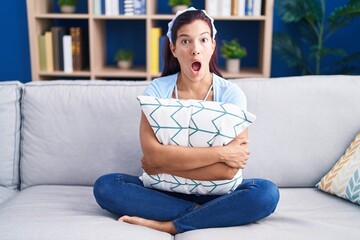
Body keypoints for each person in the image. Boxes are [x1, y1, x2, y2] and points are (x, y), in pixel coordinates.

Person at [93, 8, 279, 234]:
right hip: (164, 191)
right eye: (185, 41)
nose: (195, 50)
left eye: (203, 40)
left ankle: (171, 224)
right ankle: (210, 213)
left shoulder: (231, 94)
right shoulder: (157, 91)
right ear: (173, 48)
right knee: (106, 186)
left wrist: (165, 164)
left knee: (266, 193)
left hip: (217, 192)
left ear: (212, 46)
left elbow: (227, 172)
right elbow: (152, 156)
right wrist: (220, 154)